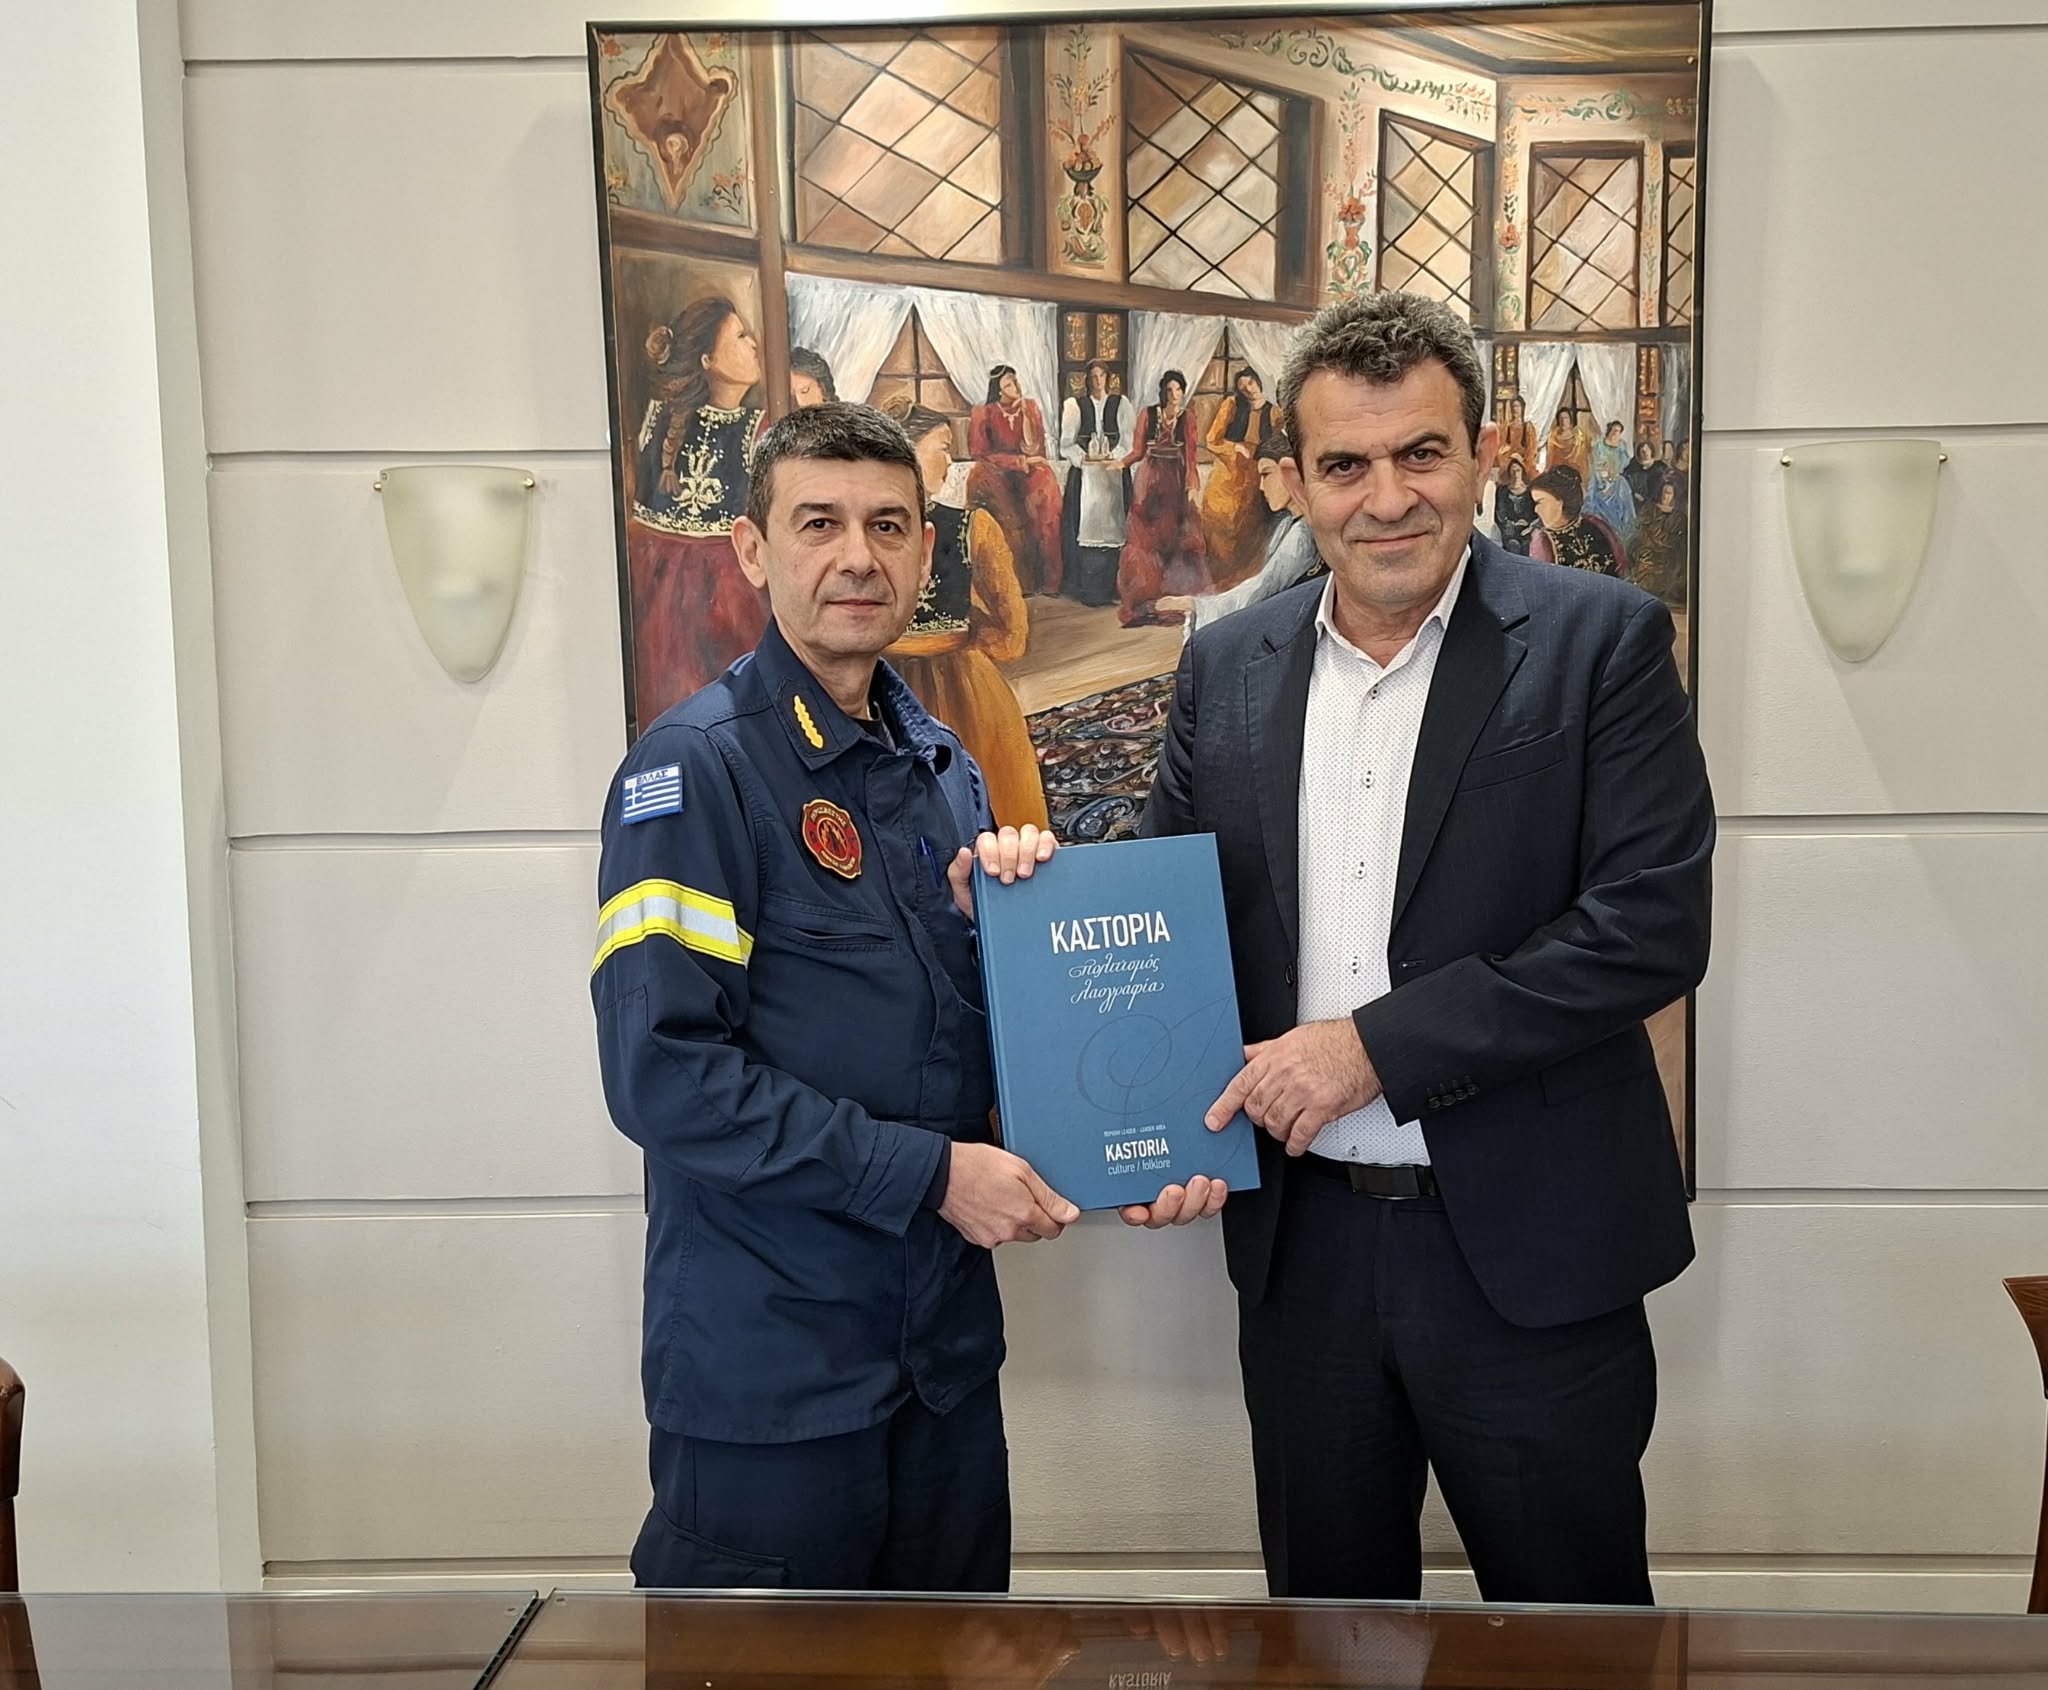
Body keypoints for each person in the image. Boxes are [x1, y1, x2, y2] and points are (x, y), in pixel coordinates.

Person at [1134, 291, 1714, 1606]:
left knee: (1574, 1637)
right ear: (1292, 482)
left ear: (1485, 452)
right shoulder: (1223, 665)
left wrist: (1370, 1052)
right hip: (1304, 1257)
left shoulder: (1601, 641)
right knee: (1326, 1634)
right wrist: (1035, 890)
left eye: (1421, 453)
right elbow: (1166, 913)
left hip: (1533, 1247)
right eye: (1345, 464)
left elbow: (1647, 928)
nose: (1386, 497)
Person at [594, 402, 1082, 1593]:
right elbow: (666, 1074)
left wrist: (1022, 955)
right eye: (818, 523)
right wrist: (932, 1176)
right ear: (753, 551)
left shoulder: (945, 770)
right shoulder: (691, 770)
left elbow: (947, 1041)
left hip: (941, 1370)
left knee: (960, 1670)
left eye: (887, 525)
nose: (858, 556)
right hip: (775, 1381)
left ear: (924, 551)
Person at [885, 398, 1051, 831]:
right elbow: (1011, 636)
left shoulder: (857, 535)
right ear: (906, 451)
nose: (950, 462)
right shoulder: (972, 528)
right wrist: (966, 627)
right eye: (942, 447)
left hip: (877, 691)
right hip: (963, 691)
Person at [628, 295, 770, 724]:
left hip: (728, 598)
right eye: (740, 336)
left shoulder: (758, 428)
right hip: (659, 590)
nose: (753, 344)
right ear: (708, 359)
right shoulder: (659, 418)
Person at [1157, 432, 1324, 635]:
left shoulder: (1303, 535)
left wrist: (1196, 605)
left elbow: (1264, 586)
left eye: (1266, 474)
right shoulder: (1288, 524)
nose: (1261, 487)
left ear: (1291, 473)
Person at [1115, 369, 1209, 626]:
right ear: (1163, 392)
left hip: (1175, 479)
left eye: (1178, 390)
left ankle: (1173, 600)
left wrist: (1192, 485)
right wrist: (1121, 463)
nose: (1174, 395)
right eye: (1169, 390)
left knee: (1178, 535)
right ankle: (1142, 600)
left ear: (1183, 392)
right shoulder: (1148, 414)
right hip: (1150, 479)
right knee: (1145, 536)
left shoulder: (1188, 417)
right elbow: (1138, 450)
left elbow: (1191, 456)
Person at [968, 365, 1064, 596]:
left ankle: (1051, 581)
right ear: (999, 389)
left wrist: (1026, 417)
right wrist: (1018, 462)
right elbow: (979, 453)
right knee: (1007, 515)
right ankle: (1018, 582)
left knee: (1046, 494)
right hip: (998, 472)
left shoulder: (1030, 407)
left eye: (1016, 381)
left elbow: (1035, 449)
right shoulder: (983, 412)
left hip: (1027, 471)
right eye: (1009, 384)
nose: (1016, 387)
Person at [1057, 360, 1135, 608]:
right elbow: (1067, 444)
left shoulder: (1121, 404)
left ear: (1108, 378)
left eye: (1101, 375)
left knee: (1116, 527)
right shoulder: (1075, 406)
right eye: (1093, 376)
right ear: (1087, 380)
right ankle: (1089, 589)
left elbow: (1128, 440)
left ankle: (1114, 587)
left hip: (1114, 474)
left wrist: (1114, 456)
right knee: (1085, 529)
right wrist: (1085, 459)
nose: (1097, 380)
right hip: (1086, 476)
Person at [1200, 367, 1280, 590]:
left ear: (1259, 382)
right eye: (1243, 388)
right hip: (1227, 475)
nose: (1248, 390)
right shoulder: (1232, 406)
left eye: (1251, 384)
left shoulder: (1274, 413)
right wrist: (1234, 447)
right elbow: (1211, 440)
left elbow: (1278, 446)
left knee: (1249, 531)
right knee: (1220, 525)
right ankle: (1218, 582)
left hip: (1254, 477)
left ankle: (1242, 587)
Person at [1530, 464, 1626, 575]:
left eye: (1540, 502)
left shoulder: (1597, 525)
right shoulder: (1595, 522)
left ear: (1559, 502)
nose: (1536, 510)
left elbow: (1621, 564)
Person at [1628, 480, 1687, 603]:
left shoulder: (1678, 517)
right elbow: (1640, 530)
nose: (1665, 496)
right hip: (1647, 549)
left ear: (1674, 495)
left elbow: (1678, 541)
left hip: (1667, 553)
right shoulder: (1650, 510)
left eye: (1669, 493)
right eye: (1664, 492)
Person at [1587, 420, 1638, 539]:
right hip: (1601, 479)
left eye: (1618, 431)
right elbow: (1596, 465)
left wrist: (1614, 476)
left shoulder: (1621, 446)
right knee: (1598, 500)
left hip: (1615, 479)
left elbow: (1623, 465)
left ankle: (1623, 529)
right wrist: (1604, 483)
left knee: (1623, 490)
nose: (1615, 433)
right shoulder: (1599, 445)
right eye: (1614, 430)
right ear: (1609, 431)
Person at [1492, 457, 1539, 556]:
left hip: (1527, 530)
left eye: (1518, 470)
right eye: (1512, 471)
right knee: (1512, 546)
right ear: (1509, 473)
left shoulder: (1531, 491)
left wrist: (1528, 524)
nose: (1515, 474)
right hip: (1509, 531)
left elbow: (1536, 513)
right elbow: (1500, 513)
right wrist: (1511, 524)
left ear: (1522, 472)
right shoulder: (1502, 491)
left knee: (1528, 546)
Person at [1543, 406, 1589, 483]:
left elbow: (1583, 459)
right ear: (1558, 421)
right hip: (1558, 474)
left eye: (1566, 418)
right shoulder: (1553, 437)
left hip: (1575, 474)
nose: (1563, 421)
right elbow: (1550, 459)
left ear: (1570, 420)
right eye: (1561, 418)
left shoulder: (1579, 437)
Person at [1496, 395, 1536, 477]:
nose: (1515, 409)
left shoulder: (1528, 427)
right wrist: (1510, 457)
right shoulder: (1507, 427)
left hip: (1524, 463)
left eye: (1517, 406)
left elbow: (1532, 450)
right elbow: (1502, 448)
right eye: (1513, 406)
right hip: (1509, 462)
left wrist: (1521, 460)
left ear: (1522, 408)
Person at [1623, 438, 1658, 516]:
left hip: (1653, 502)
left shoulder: (1658, 467)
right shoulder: (1633, 467)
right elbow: (1626, 480)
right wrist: (1634, 493)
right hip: (1636, 501)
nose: (1646, 453)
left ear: (1651, 451)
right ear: (1639, 454)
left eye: (1648, 450)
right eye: (1643, 451)